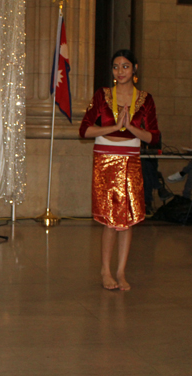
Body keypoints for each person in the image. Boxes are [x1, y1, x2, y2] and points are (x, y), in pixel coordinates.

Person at [79, 49, 160, 291]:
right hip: (105, 160)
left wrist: (130, 128)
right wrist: (114, 127)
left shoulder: (145, 99)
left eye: (125, 66)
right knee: (109, 219)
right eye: (116, 66)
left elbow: (153, 137)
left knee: (127, 220)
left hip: (131, 159)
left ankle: (121, 272)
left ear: (135, 69)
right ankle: (105, 270)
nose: (120, 71)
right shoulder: (102, 95)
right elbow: (84, 130)